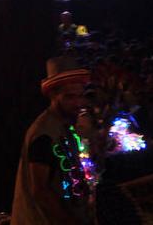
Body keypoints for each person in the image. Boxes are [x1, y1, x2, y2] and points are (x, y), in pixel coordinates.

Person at [11, 57, 93, 224]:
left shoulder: (66, 124)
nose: (78, 103)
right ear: (53, 95)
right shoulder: (44, 134)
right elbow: (40, 191)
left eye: (80, 96)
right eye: (70, 97)